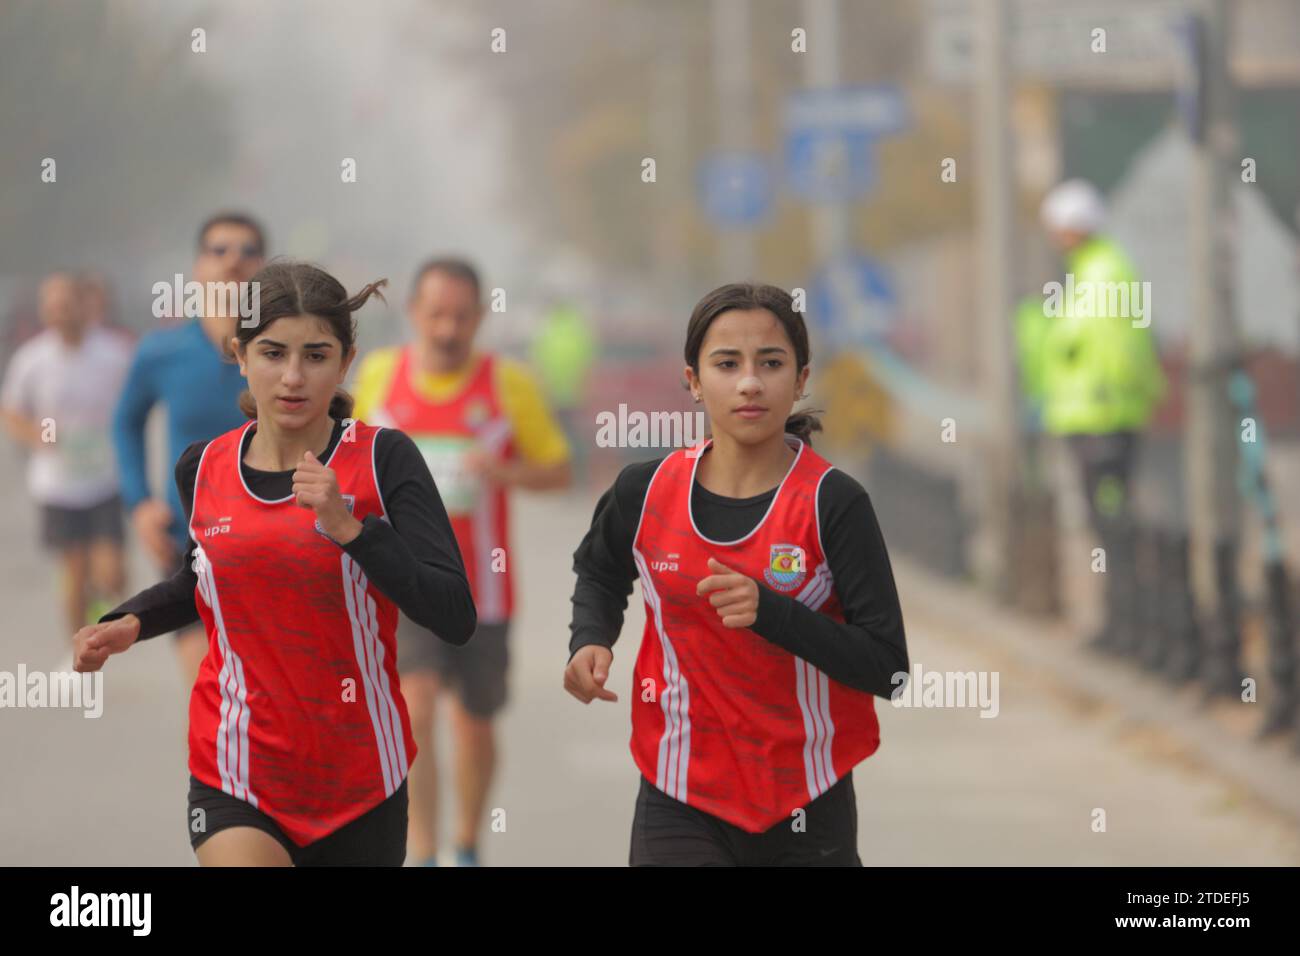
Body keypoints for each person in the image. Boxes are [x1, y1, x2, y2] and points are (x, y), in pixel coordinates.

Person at [73, 261, 476, 867]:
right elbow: (204, 577)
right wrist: (133, 619)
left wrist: (351, 530)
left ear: (345, 361)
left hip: (359, 778)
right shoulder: (202, 468)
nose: (293, 377)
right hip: (236, 768)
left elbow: (452, 613)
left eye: (316, 355)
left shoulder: (384, 460)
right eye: (272, 353)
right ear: (239, 354)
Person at [565, 282, 908, 866]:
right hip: (680, 790)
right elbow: (599, 570)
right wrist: (590, 638)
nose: (750, 382)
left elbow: (889, 669)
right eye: (727, 364)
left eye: (770, 363)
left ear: (800, 379)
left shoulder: (833, 503)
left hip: (804, 797)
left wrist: (772, 613)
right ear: (694, 381)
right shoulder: (643, 491)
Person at [352, 257, 571, 866]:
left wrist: (505, 471)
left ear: (479, 317)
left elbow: (559, 469)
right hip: (404, 584)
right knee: (415, 706)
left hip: (485, 590)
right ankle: (421, 851)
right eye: (436, 315)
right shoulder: (378, 378)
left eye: (461, 316)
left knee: (474, 724)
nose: (447, 329)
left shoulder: (509, 384)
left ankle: (467, 843)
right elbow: (348, 459)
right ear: (414, 314)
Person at [112, 213, 267, 688]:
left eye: (246, 251)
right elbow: (125, 422)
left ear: (264, 269)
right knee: (212, 688)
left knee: (269, 696)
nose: (232, 261)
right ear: (197, 267)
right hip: (190, 540)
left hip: (274, 537)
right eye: (218, 250)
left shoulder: (282, 351)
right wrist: (140, 504)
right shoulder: (161, 352)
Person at [1032, 179, 1166, 656]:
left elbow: (1115, 348)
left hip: (1101, 422)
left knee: (1112, 524)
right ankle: (1125, 625)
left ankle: (1132, 628)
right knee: (1107, 524)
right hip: (1094, 420)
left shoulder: (1103, 273)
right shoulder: (1094, 270)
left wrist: (1112, 406)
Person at [1, 273, 133, 639]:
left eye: (65, 303)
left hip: (106, 476)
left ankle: (98, 600)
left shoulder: (112, 352)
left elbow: (135, 400)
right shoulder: (33, 358)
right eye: (51, 305)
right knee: (74, 569)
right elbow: (12, 410)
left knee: (113, 574)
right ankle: (79, 648)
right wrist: (42, 435)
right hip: (57, 483)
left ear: (83, 304)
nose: (58, 312)